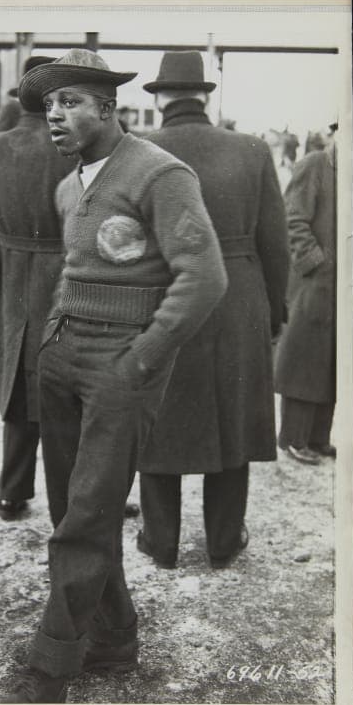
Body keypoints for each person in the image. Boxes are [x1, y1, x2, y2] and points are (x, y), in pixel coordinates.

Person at [0, 48, 228, 703]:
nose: (55, 116)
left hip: (119, 367)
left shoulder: (161, 173)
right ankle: (115, 636)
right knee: (78, 511)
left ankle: (49, 668)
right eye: (48, 106)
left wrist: (142, 360)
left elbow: (205, 276)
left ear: (109, 107)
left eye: (70, 102)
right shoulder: (69, 185)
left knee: (87, 515)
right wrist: (50, 343)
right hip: (62, 358)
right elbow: (77, 272)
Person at [137, 51, 290, 570]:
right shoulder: (252, 149)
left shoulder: (138, 151)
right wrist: (274, 313)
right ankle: (224, 541)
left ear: (159, 98)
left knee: (157, 416)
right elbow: (276, 241)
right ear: (205, 96)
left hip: (163, 293)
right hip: (238, 294)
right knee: (234, 415)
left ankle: (160, 542)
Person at [0, 56, 76, 520]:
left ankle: (12, 491)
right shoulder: (75, 144)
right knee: (71, 384)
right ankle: (75, 496)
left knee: (18, 382)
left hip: (15, 269)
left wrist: (6, 271)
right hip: (69, 272)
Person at [274, 123, 337, 464]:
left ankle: (318, 437)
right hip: (315, 283)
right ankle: (294, 438)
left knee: (330, 362)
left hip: (340, 286)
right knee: (304, 360)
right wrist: (316, 261)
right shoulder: (315, 164)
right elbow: (293, 218)